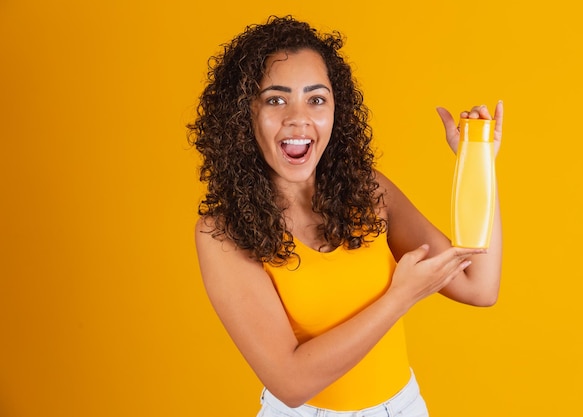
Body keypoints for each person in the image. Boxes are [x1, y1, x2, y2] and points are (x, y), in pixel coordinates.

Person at [188, 15, 503, 417]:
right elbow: (291, 383)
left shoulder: (369, 191)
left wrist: (479, 163)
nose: (299, 117)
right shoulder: (222, 234)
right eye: (276, 99)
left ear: (337, 110)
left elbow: (480, 286)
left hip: (403, 408)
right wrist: (401, 296)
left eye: (316, 99)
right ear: (243, 113)